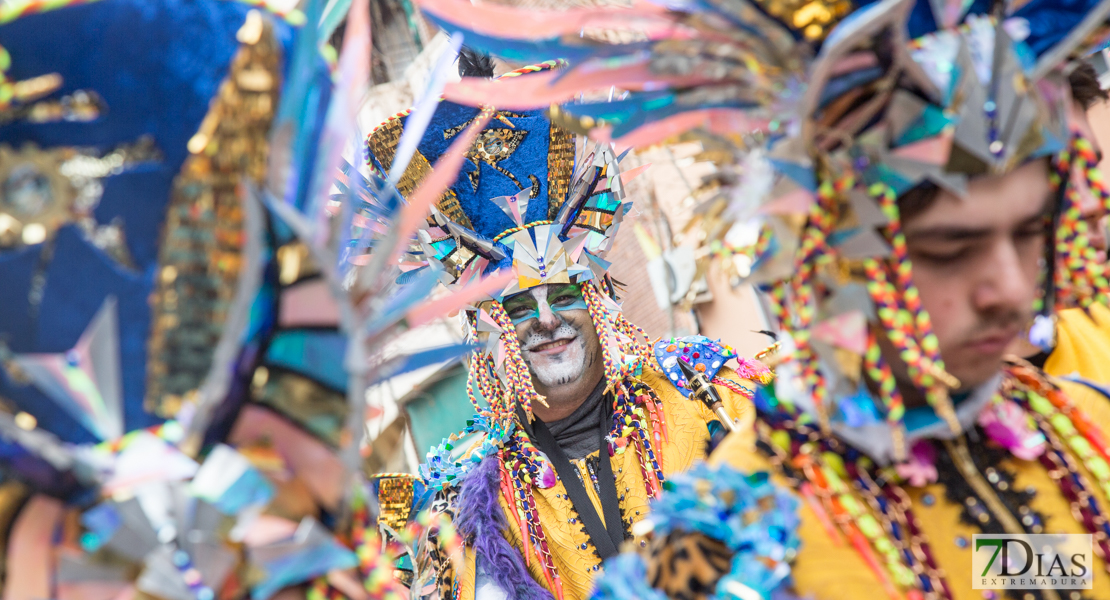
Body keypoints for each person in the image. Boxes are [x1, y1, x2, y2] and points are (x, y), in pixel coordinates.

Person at [415, 0, 1110, 597]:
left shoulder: (1080, 429)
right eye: (952, 248)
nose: (1014, 291)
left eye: (1029, 235)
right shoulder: (721, 552)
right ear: (825, 247)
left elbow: (1021, 566)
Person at [365, 52, 771, 600]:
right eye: (519, 306)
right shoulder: (473, 509)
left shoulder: (702, 394)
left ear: (596, 298)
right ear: (487, 331)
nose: (549, 319)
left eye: (563, 294)